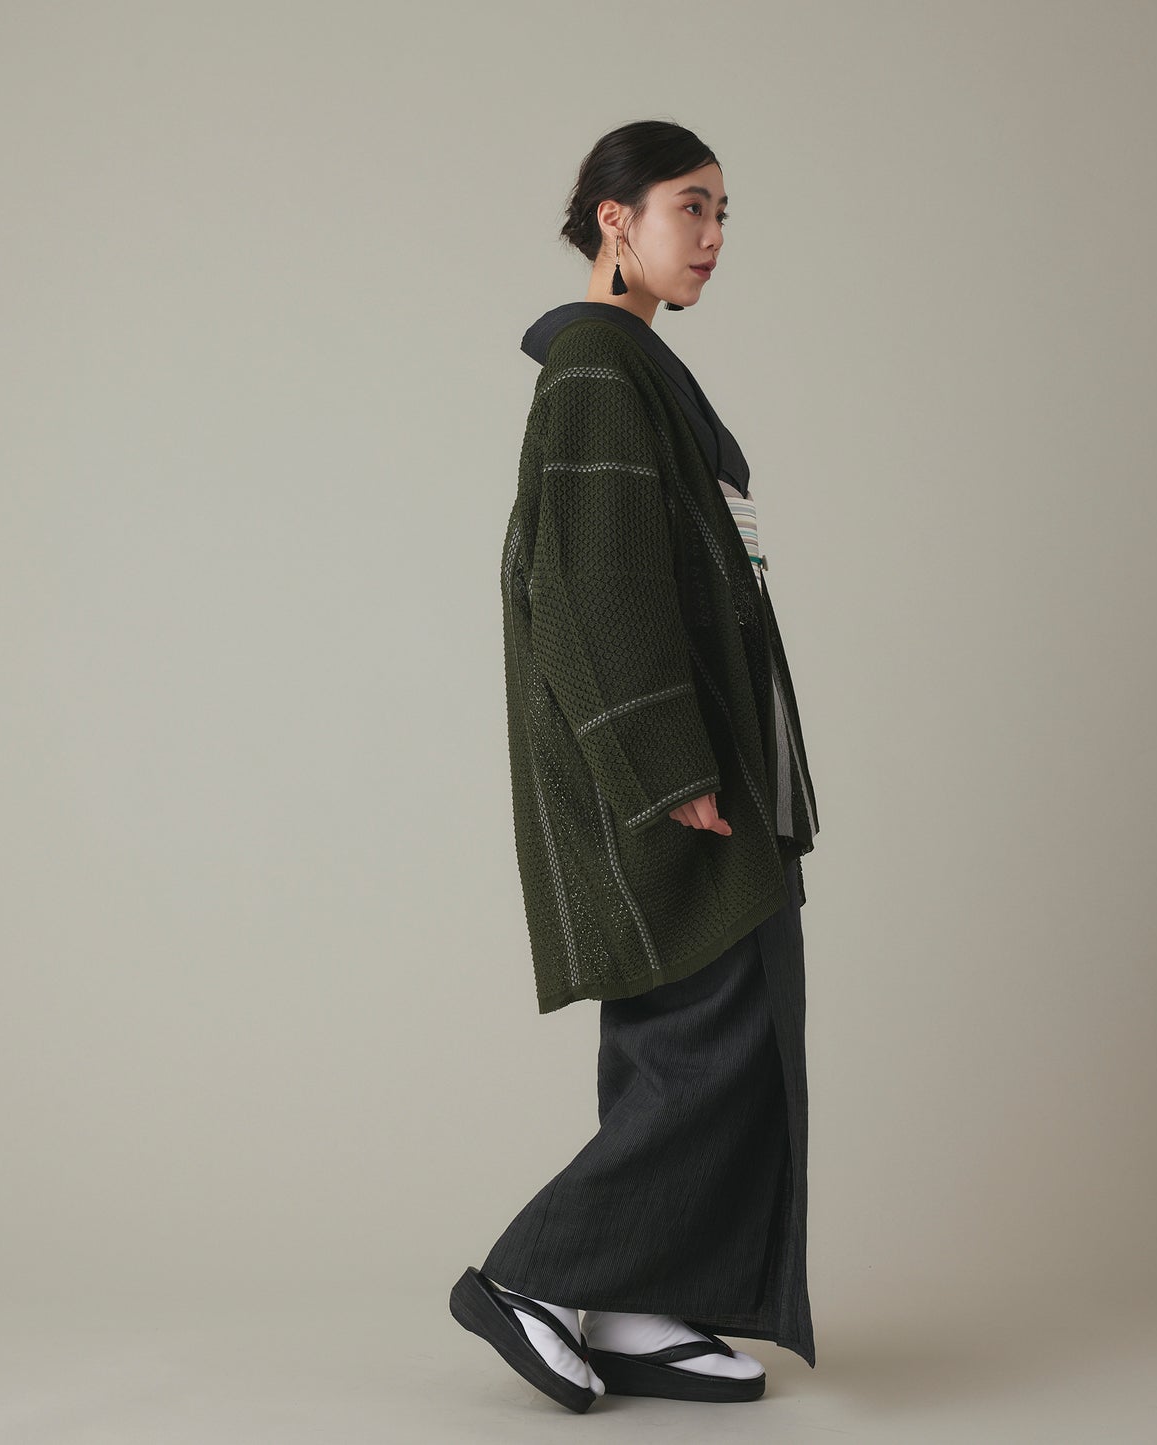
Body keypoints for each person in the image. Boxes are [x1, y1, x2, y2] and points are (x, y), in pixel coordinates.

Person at [449, 119, 820, 1413]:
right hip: (662, 759)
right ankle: (534, 1276)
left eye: (722, 213)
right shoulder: (599, 365)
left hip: (702, 748)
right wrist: (667, 767)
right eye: (687, 208)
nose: (712, 238)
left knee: (693, 1029)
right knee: (714, 1033)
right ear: (615, 220)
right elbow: (592, 581)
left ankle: (636, 1296)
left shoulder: (633, 364)